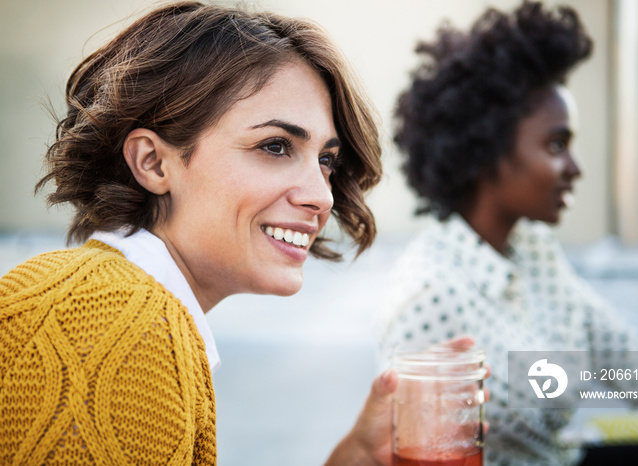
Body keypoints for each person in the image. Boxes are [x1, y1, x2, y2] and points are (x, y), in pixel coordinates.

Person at [0, 2, 400, 463]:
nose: (322, 196)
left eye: (326, 160)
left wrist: (356, 458)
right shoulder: (119, 318)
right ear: (152, 162)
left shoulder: (121, 306)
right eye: (275, 146)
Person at [378, 1, 638, 465]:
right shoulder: (429, 297)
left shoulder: (533, 251)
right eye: (556, 145)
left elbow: (630, 364)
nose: (576, 168)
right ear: (488, 152)